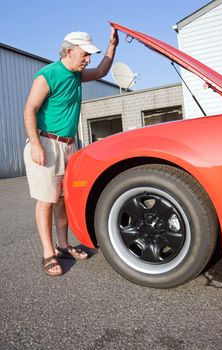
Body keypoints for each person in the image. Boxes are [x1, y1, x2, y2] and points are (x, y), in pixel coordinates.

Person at [24, 27, 119, 276]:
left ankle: (63, 245)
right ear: (69, 51)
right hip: (45, 143)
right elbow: (30, 109)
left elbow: (101, 71)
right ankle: (48, 254)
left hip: (69, 145)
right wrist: (35, 144)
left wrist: (112, 46)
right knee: (46, 201)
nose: (88, 59)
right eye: (85, 54)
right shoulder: (47, 75)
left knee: (64, 199)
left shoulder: (77, 75)